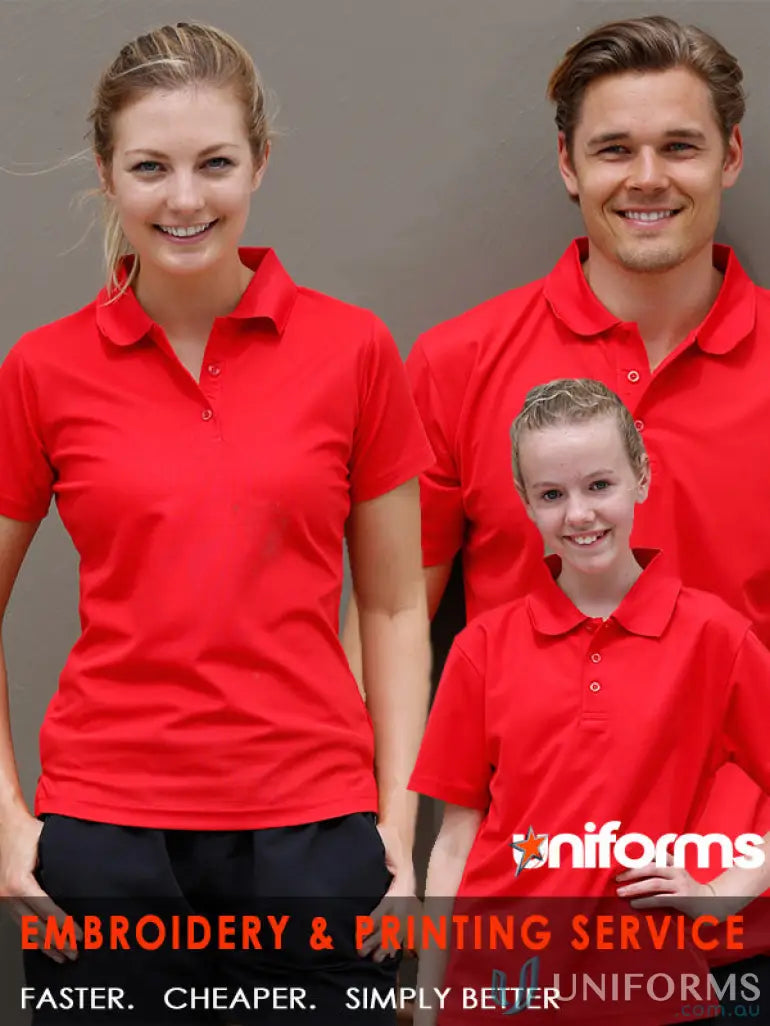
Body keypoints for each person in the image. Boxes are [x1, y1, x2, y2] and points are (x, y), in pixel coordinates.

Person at [0, 22, 432, 1025]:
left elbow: (395, 605)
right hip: (104, 844)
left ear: (260, 162)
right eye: (150, 166)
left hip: (316, 835)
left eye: (216, 164)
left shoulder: (354, 350)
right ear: (106, 173)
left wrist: (396, 827)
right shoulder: (42, 370)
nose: (185, 199)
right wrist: (8, 824)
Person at [341, 8, 770, 1001]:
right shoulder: (456, 365)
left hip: (739, 937)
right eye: (614, 149)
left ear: (731, 157)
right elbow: (391, 625)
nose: (647, 177)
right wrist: (372, 844)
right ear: (568, 165)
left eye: (679, 146)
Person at [408, 379, 770, 1025]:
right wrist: (432, 1008)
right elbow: (455, 845)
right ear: (525, 501)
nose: (578, 514)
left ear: (641, 478)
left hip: (651, 995)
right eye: (552, 494)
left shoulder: (715, 638)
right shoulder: (482, 647)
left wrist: (724, 894)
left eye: (599, 485)